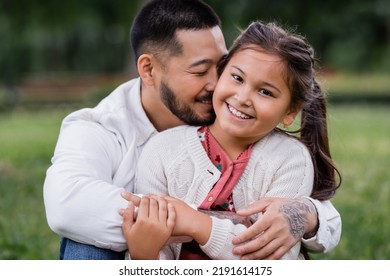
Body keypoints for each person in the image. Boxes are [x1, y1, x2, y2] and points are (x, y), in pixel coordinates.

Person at [43, 0, 341, 260]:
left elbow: (309, 213)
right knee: (85, 242)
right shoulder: (97, 130)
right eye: (200, 71)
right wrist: (189, 225)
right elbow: (67, 207)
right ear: (148, 70)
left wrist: (307, 213)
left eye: (222, 66)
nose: (217, 83)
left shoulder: (245, 127)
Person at [121, 20, 341, 260]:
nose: (243, 97)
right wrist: (144, 255)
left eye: (265, 92)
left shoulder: (290, 159)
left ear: (290, 112)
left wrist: (196, 223)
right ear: (220, 74)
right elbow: (151, 238)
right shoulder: (163, 150)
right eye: (237, 78)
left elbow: (273, 258)